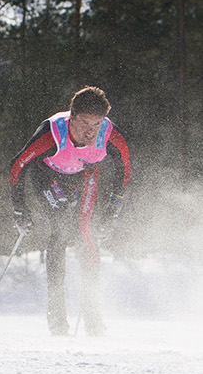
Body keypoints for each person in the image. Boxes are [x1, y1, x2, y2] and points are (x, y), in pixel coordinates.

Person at [9, 86, 130, 336]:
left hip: (84, 176)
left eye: (96, 124)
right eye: (84, 122)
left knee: (88, 237)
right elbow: (17, 167)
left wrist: (113, 209)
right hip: (49, 176)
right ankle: (57, 319)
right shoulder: (52, 134)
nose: (90, 131)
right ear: (71, 118)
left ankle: (93, 320)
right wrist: (20, 209)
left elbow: (125, 169)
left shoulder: (108, 133)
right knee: (62, 231)